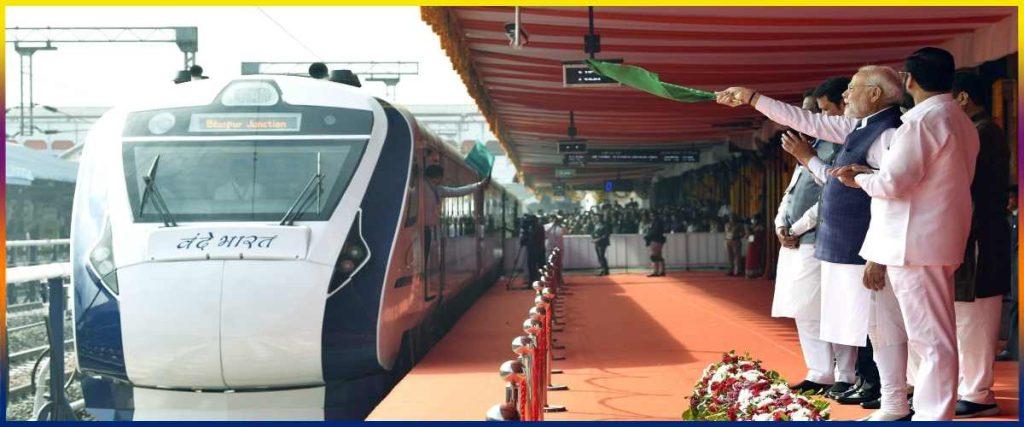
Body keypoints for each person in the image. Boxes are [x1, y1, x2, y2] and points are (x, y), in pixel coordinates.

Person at [717, 65, 909, 420]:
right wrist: (751, 97)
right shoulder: (858, 128)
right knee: (869, 326)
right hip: (846, 246)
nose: (846, 95)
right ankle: (891, 397)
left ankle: (897, 399)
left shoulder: (888, 134)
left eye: (852, 87)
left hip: (867, 248)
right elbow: (805, 123)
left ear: (876, 94)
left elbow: (892, 199)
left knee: (884, 326)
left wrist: (879, 254)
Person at [833, 47, 979, 421]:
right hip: (933, 238)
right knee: (932, 335)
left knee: (930, 339)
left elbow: (893, 183)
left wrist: (858, 177)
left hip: (914, 243)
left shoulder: (922, 122)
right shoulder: (959, 119)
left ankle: (933, 414)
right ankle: (929, 409)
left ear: (910, 80)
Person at [771, 82, 856, 398]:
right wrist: (781, 223)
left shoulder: (837, 143)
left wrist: (798, 228)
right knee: (803, 309)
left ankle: (845, 374)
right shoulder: (813, 143)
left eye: (818, 111)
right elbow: (792, 190)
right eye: (809, 112)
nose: (811, 117)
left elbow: (831, 195)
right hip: (797, 240)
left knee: (832, 308)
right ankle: (819, 371)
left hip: (820, 238)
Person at [944, 71, 1010, 418]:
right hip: (971, 234)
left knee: (975, 317)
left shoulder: (984, 133)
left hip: (982, 235)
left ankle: (979, 391)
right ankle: (968, 386)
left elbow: (971, 190)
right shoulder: (976, 131)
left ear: (964, 98)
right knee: (963, 317)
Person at [423, 162, 489, 281]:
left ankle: (428, 279)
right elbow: (457, 191)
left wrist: (478, 185)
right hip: (423, 229)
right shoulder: (422, 189)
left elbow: (457, 191)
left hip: (431, 228)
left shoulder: (437, 189)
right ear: (437, 176)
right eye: (441, 177)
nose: (441, 180)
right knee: (425, 258)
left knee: (429, 256)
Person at [997, 185, 1018, 362]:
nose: (1009, 202)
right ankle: (1011, 347)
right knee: (1014, 307)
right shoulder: (1007, 219)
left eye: (1012, 198)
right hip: (1011, 268)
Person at [643, 212, 667, 277]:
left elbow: (654, 231)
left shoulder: (656, 223)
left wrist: (648, 236)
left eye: (652, 215)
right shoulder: (659, 222)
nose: (651, 217)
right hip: (660, 240)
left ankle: (655, 271)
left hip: (656, 240)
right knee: (659, 256)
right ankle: (662, 271)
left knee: (654, 256)